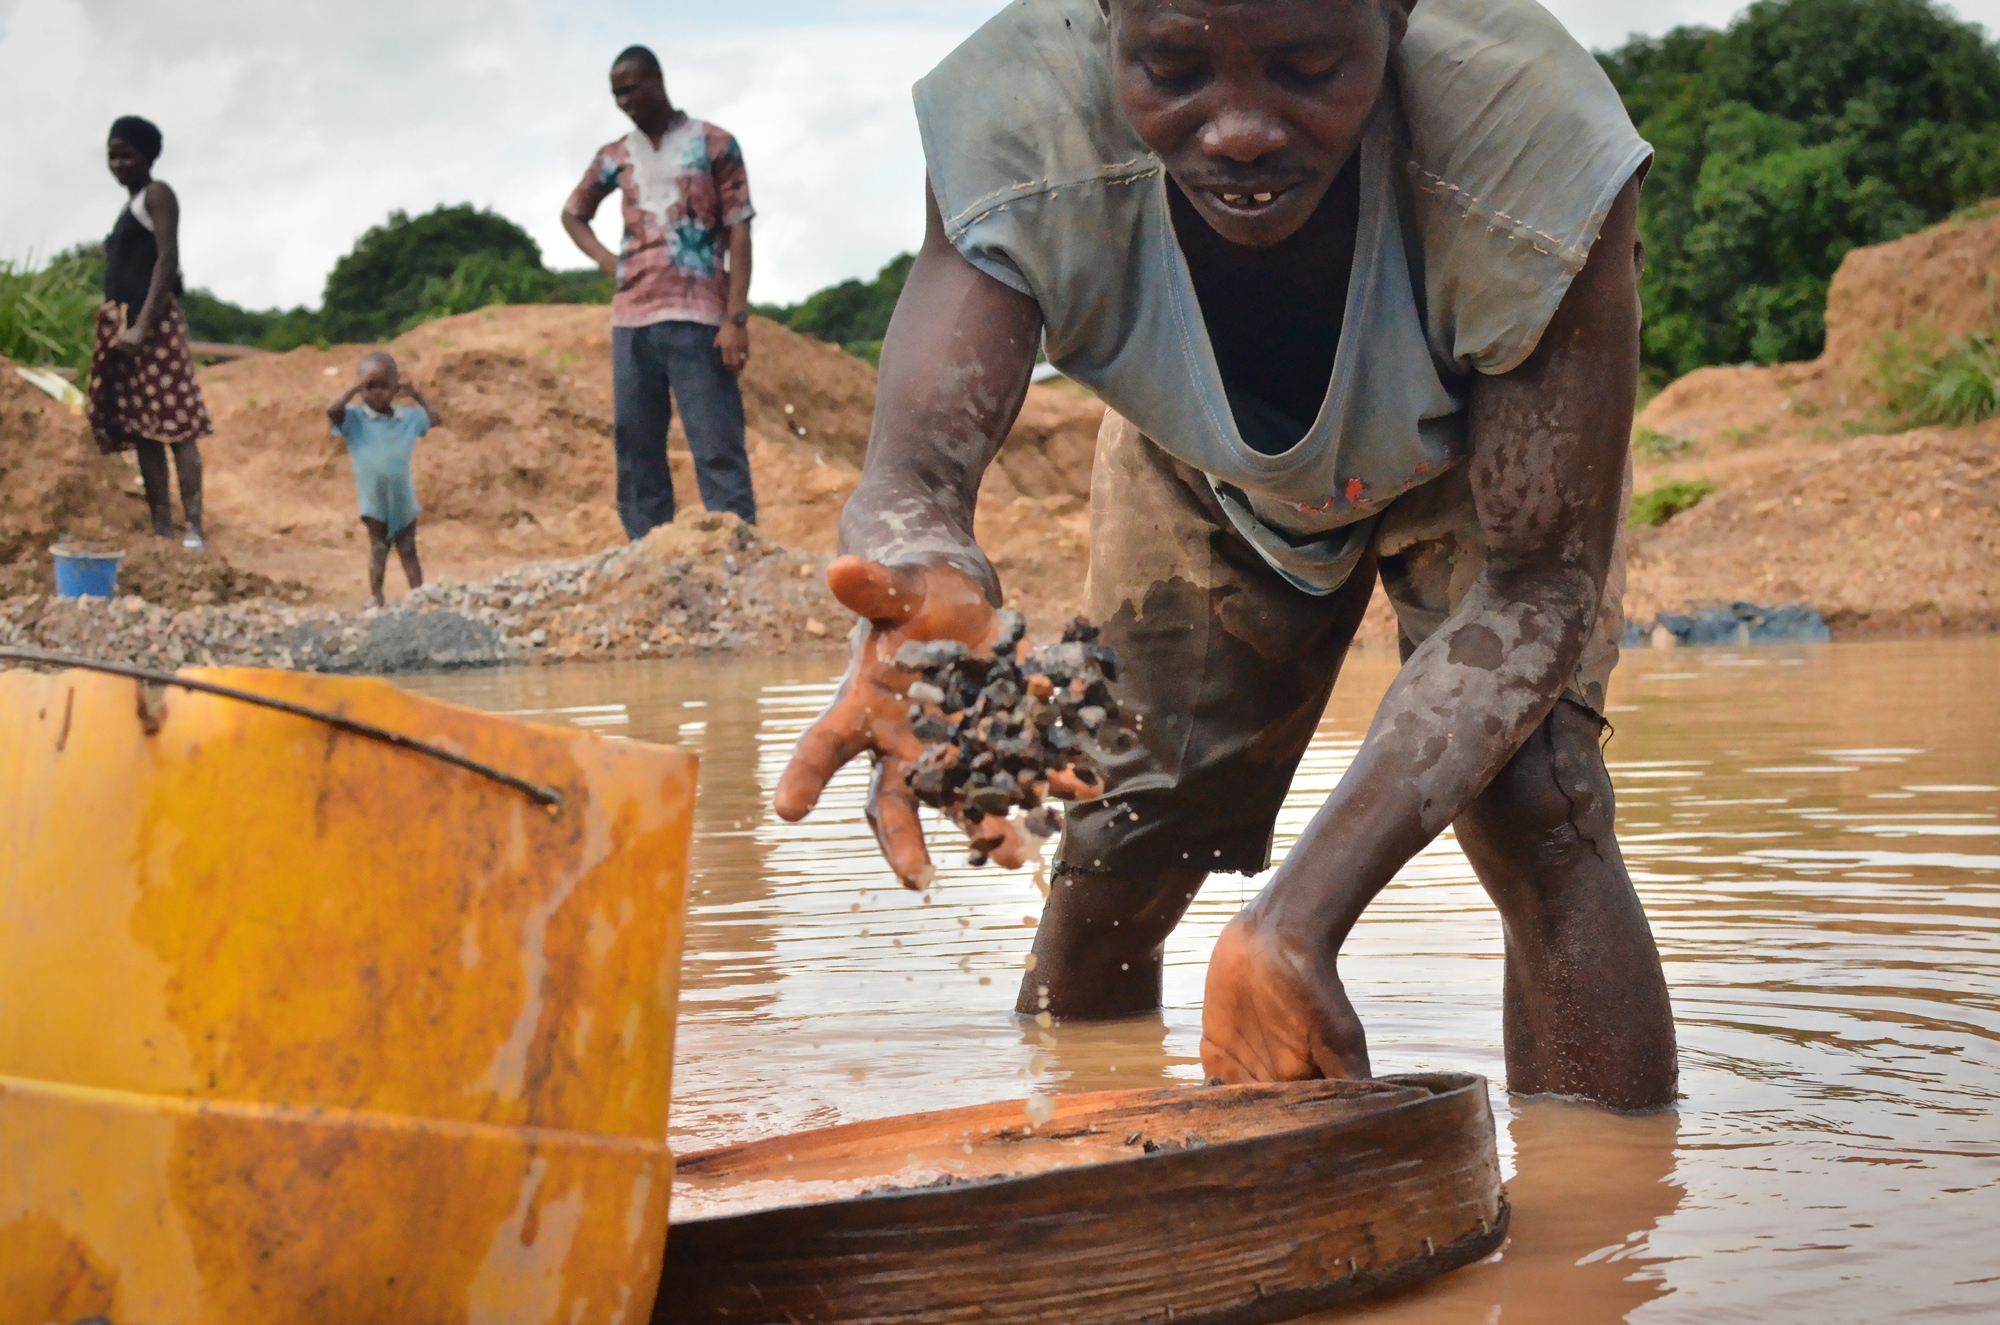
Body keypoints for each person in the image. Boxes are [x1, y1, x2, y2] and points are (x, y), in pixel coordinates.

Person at [773, 0, 1679, 1112]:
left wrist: (1296, 916)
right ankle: (1078, 1143)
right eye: (1171, 68)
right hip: (1193, 468)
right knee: (1124, 834)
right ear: (1104, 20)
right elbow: (911, 484)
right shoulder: (1021, 124)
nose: (1240, 128)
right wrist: (926, 587)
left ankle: (1601, 1227)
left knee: (1540, 798)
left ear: (1395, 17)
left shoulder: (1533, 145)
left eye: (1306, 68)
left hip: (1485, 473)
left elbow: (1540, 579)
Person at [562, 44, 758, 540]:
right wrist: (610, 262)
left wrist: (736, 319)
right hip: (632, 320)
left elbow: (739, 232)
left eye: (631, 88)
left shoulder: (714, 143)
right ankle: (647, 550)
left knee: (715, 442)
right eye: (616, 93)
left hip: (700, 315)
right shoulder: (616, 155)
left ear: (657, 80)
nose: (624, 100)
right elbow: (573, 212)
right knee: (636, 445)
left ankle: (737, 549)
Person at [88, 114, 214, 551]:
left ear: (149, 156)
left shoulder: (157, 195)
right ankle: (162, 527)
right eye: (113, 156)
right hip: (128, 328)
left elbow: (167, 259)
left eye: (128, 155)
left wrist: (143, 324)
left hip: (151, 325)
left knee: (177, 424)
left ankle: (193, 527)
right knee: (144, 428)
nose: (119, 163)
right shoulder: (131, 205)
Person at [325, 352, 439, 608]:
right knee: (378, 548)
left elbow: (434, 418)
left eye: (383, 386)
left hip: (402, 497)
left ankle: (417, 595)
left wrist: (418, 394)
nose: (376, 392)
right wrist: (354, 387)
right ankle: (376, 596)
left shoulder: (407, 418)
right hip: (373, 498)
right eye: (369, 386)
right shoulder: (355, 419)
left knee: (408, 548)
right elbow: (332, 409)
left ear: (395, 387)